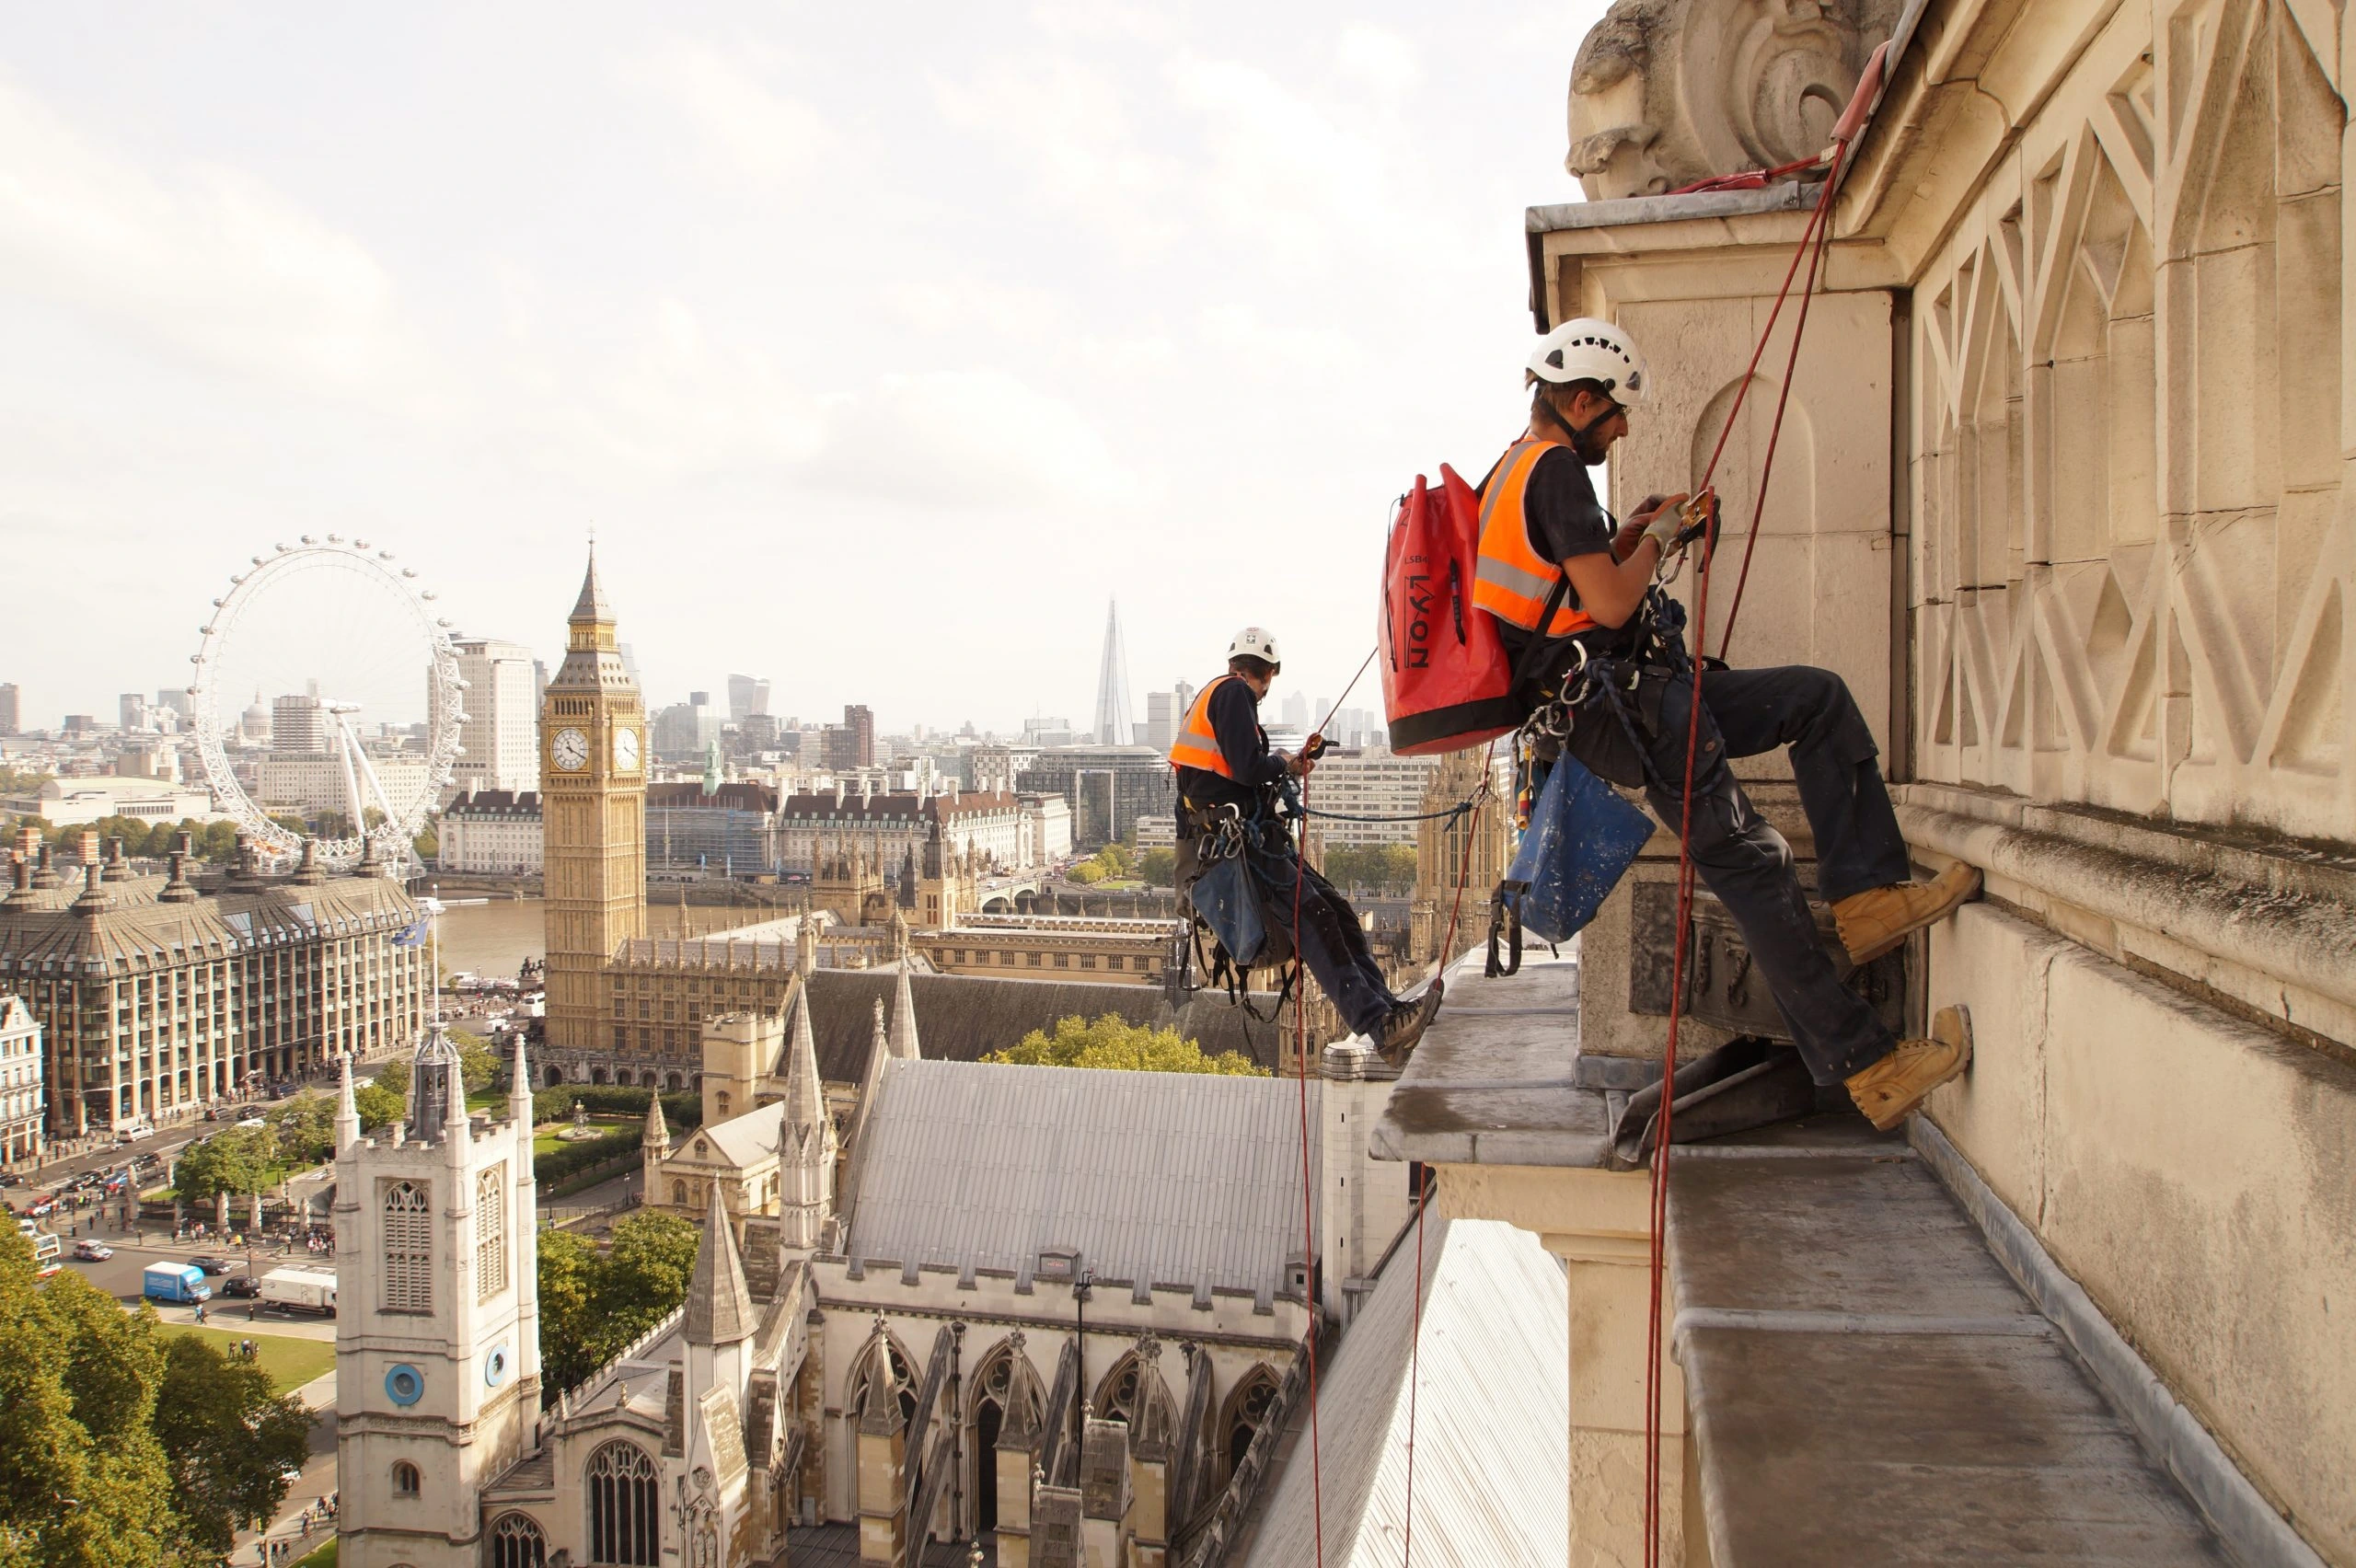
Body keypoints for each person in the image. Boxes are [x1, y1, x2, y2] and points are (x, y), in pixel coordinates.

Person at [1475, 317, 1980, 1131]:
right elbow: (1607, 602)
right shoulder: (1556, 470)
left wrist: (1632, 534)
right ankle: (1870, 1066)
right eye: (1616, 414)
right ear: (1577, 400)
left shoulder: (1514, 470)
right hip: (1623, 709)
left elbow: (1568, 592)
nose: (1626, 427)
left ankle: (1869, 895)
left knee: (1815, 700)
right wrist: (1663, 539)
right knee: (1754, 866)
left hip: (1633, 696)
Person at [1170, 628, 1445, 1064]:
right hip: (1239, 846)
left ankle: (1390, 1013)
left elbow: (1231, 774)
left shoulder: (1216, 699)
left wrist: (1286, 765)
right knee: (1316, 918)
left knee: (1337, 911)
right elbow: (1246, 770)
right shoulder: (1234, 693)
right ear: (1269, 674)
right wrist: (1280, 761)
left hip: (1246, 839)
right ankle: (1379, 1025)